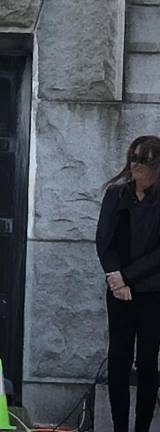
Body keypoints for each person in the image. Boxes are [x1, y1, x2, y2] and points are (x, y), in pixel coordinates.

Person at [96, 135, 160, 432]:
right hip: (119, 292)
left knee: (148, 362)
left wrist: (128, 276)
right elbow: (104, 240)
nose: (136, 165)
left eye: (143, 159)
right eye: (133, 158)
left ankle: (143, 428)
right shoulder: (116, 195)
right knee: (118, 360)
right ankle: (120, 426)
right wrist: (115, 278)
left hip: (153, 292)